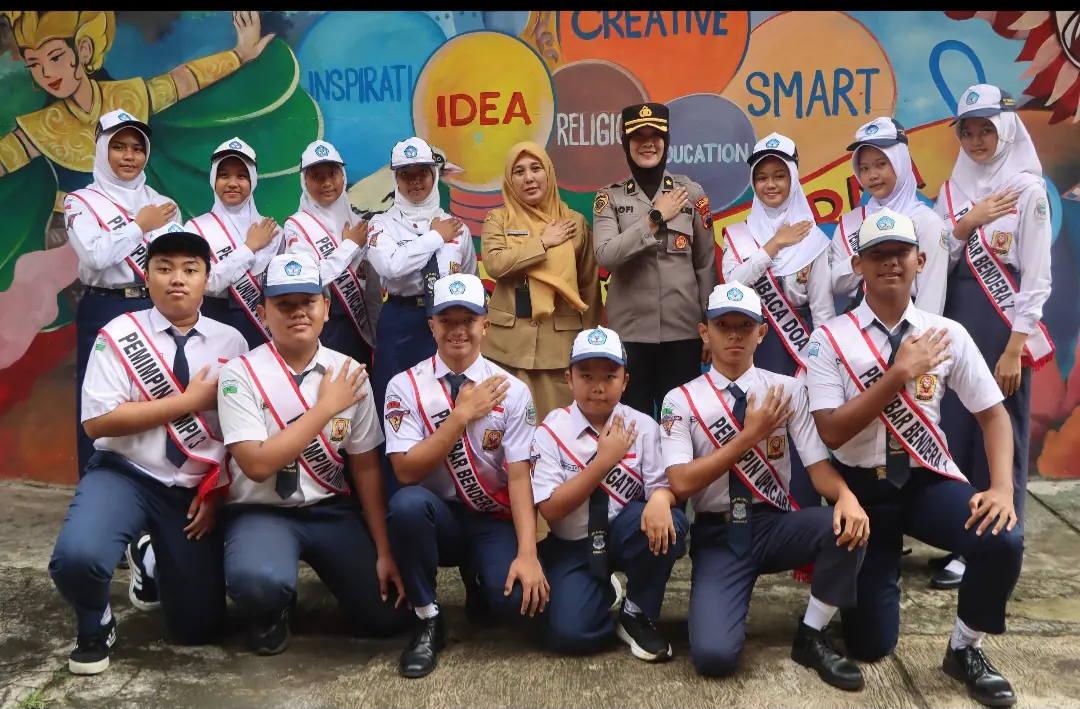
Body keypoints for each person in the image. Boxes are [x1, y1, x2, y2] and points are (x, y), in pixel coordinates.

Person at [806, 208, 1024, 708]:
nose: (889, 263)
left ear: (920, 260)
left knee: (1002, 537)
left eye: (899, 253)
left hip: (925, 483)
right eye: (876, 255)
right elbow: (832, 430)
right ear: (858, 266)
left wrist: (1002, 489)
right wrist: (897, 374)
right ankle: (857, 592)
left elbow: (995, 416)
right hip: (863, 496)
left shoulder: (945, 333)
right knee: (871, 647)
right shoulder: (830, 338)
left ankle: (965, 648)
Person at [48, 223, 247, 675]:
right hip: (125, 473)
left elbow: (237, 430)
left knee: (198, 628)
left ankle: (150, 557)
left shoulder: (230, 342)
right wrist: (188, 403)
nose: (177, 278)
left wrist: (216, 491)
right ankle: (95, 621)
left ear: (206, 278)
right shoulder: (120, 333)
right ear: (146, 274)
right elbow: (98, 420)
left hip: (191, 490)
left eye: (190, 269)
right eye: (165, 268)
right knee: (77, 559)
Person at [661, 282, 869, 689]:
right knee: (714, 658)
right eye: (723, 325)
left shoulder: (787, 390)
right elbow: (681, 483)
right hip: (718, 533)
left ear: (762, 332)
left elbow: (816, 467)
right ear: (706, 333)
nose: (735, 334)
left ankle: (811, 634)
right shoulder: (681, 399)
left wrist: (845, 496)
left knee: (848, 526)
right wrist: (748, 436)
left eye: (745, 325)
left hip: (774, 526)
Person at [214, 253, 411, 655]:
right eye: (283, 305)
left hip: (328, 510)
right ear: (262, 313)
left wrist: (384, 550)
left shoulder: (349, 371)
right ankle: (272, 609)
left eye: (308, 301)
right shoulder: (239, 374)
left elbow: (366, 466)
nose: (298, 312)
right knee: (259, 582)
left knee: (389, 617)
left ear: (327, 308)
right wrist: (325, 408)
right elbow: (256, 465)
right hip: (262, 510)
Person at [383, 274, 546, 678]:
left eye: (468, 320)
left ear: (485, 325)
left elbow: (520, 476)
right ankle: (428, 618)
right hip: (435, 518)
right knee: (405, 507)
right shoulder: (405, 386)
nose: (458, 331)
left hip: (489, 518)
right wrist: (459, 417)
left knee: (515, 603)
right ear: (431, 326)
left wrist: (528, 553)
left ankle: (478, 577)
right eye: (447, 320)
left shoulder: (512, 389)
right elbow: (405, 471)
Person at [930, 84, 1054, 590]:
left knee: (1001, 434)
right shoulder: (953, 191)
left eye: (987, 129)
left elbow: (1038, 276)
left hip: (1002, 331)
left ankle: (1002, 540)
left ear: (1005, 131)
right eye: (968, 131)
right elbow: (936, 259)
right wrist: (967, 225)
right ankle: (967, 539)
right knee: (959, 430)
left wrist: (1015, 346)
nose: (977, 140)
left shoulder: (1028, 190)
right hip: (959, 322)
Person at [531, 326, 687, 661]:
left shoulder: (643, 426)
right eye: (586, 375)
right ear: (569, 379)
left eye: (609, 376)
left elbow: (664, 486)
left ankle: (635, 612)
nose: (598, 386)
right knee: (570, 636)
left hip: (622, 535)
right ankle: (600, 592)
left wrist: (661, 498)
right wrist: (603, 462)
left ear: (625, 381)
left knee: (672, 522)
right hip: (572, 547)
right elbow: (551, 510)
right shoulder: (551, 430)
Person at [721, 133, 834, 509]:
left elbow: (821, 311)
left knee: (800, 434)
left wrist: (816, 365)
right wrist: (774, 247)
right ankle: (753, 522)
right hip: (750, 349)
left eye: (779, 175)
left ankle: (801, 530)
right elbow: (732, 285)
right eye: (762, 177)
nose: (770, 184)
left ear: (794, 178)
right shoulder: (737, 236)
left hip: (798, 353)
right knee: (753, 430)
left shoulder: (815, 240)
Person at [66, 110, 181, 478]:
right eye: (118, 147)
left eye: (137, 148)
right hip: (104, 307)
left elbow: (176, 263)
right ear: (101, 149)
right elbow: (95, 256)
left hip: (154, 309)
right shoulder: (81, 202)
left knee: (155, 397)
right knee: (101, 404)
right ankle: (96, 488)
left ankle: (155, 487)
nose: (129, 156)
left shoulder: (162, 202)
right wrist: (138, 226)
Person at [592, 102, 719, 420]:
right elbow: (606, 256)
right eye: (638, 136)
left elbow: (705, 265)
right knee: (632, 434)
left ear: (667, 140)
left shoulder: (692, 193)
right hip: (630, 337)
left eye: (656, 135)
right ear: (625, 142)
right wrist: (653, 218)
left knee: (680, 428)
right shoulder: (609, 198)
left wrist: (709, 330)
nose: (647, 142)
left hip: (684, 335)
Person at [480, 141, 603, 423]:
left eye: (536, 168)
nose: (529, 178)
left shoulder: (575, 223)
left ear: (548, 173)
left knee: (558, 432)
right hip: (506, 350)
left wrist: (591, 347)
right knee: (503, 434)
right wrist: (543, 243)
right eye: (519, 171)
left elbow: (588, 289)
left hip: (559, 349)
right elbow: (496, 264)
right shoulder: (498, 219)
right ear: (510, 181)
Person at [366, 137, 478, 421]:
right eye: (406, 174)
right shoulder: (382, 223)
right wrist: (435, 237)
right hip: (400, 320)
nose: (415, 182)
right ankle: (394, 466)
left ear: (434, 175)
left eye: (422, 173)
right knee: (394, 408)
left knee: (444, 403)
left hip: (447, 324)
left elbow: (470, 281)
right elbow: (390, 266)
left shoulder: (458, 228)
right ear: (396, 179)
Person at [832, 117, 951, 316]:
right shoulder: (850, 223)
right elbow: (834, 284)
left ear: (901, 163)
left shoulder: (927, 222)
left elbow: (932, 295)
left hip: (907, 324)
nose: (872, 175)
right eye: (864, 168)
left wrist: (917, 342)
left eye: (881, 164)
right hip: (857, 330)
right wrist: (861, 260)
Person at [284, 140, 381, 366]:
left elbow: (373, 291)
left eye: (332, 174)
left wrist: (376, 336)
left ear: (343, 177)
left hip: (360, 330)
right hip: (321, 328)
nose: (327, 182)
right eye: (317, 176)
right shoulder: (297, 226)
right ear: (304, 182)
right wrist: (349, 247)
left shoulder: (359, 224)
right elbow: (309, 276)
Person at [186, 137, 282, 349]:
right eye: (223, 175)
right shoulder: (195, 228)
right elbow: (206, 283)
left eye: (241, 176)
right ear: (213, 179)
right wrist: (250, 248)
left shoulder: (272, 231)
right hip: (213, 318)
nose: (232, 183)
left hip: (261, 323)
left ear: (253, 180)